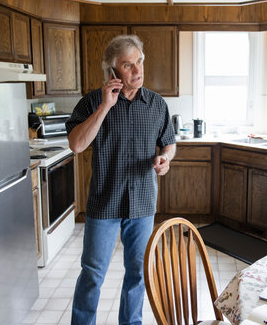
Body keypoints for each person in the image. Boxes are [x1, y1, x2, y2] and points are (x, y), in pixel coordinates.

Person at [66, 34, 176, 325]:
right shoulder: (91, 102)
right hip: (105, 202)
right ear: (112, 71)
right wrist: (105, 106)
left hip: (142, 202)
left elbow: (169, 142)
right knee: (92, 273)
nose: (138, 71)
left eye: (139, 62)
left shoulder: (157, 104)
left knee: (138, 272)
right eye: (128, 65)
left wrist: (166, 158)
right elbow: (76, 145)